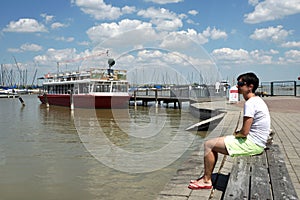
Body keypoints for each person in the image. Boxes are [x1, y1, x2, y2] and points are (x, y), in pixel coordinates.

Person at [188, 72, 271, 190]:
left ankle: (206, 181)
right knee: (215, 142)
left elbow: (244, 132)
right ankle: (206, 178)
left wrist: (236, 134)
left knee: (208, 145)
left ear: (250, 86)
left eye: (241, 83)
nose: (237, 86)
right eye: (238, 83)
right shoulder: (257, 100)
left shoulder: (250, 103)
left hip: (254, 144)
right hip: (257, 142)